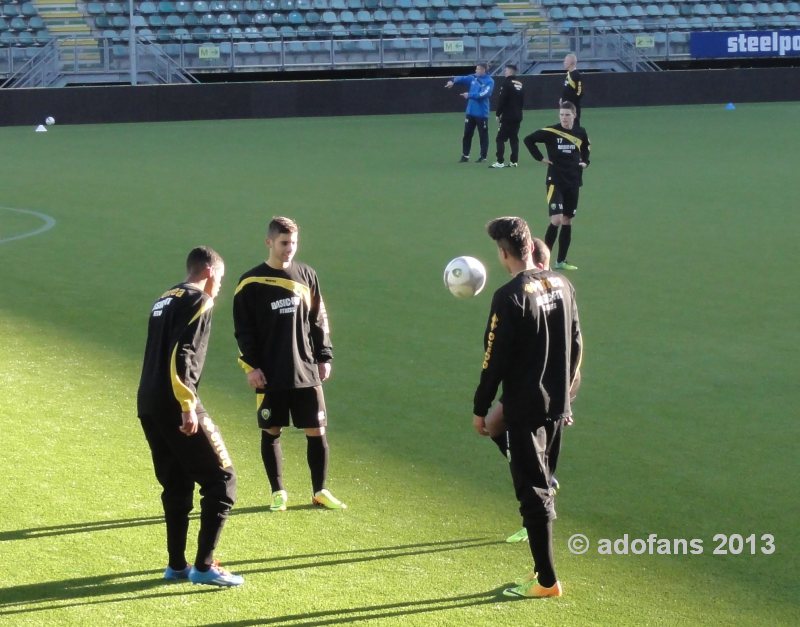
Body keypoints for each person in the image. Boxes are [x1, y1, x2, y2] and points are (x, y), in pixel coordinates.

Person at [472, 217, 582, 599]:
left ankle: (546, 581)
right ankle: (542, 484)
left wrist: (480, 406)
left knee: (532, 495)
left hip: (524, 407)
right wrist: (567, 393)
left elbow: (493, 359)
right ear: (531, 248)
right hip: (556, 403)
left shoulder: (509, 296)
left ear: (503, 253)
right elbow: (577, 343)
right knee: (538, 478)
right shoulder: (563, 284)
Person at [137, 246, 243, 587]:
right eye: (221, 279)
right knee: (222, 481)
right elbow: (182, 352)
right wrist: (186, 403)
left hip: (148, 401)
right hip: (175, 399)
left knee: (177, 483)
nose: (219, 288)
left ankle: (177, 566)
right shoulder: (200, 300)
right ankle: (204, 566)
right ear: (210, 273)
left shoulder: (163, 299)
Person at [233, 216, 346, 512]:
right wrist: (252, 367)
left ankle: (320, 490)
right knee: (271, 431)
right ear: (269, 242)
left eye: (293, 243)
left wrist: (324, 356)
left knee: (317, 431)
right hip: (271, 373)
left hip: (306, 369)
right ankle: (277, 492)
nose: (289, 249)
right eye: (284, 243)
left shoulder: (307, 275)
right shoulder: (251, 283)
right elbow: (243, 331)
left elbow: (318, 318)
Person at [523, 101, 590, 271]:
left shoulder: (580, 132)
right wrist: (540, 158)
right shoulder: (551, 131)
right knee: (557, 219)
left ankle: (561, 261)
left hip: (573, 181)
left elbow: (586, 149)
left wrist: (585, 162)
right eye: (561, 115)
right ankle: (541, 262)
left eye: (567, 115)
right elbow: (528, 140)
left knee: (567, 220)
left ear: (574, 115)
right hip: (555, 181)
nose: (564, 118)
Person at [445, 63, 495, 163]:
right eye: (476, 69)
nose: (476, 71)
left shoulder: (489, 81)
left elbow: (485, 93)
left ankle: (483, 156)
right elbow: (461, 78)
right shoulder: (473, 78)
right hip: (470, 112)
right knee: (467, 134)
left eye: (478, 70)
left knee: (483, 135)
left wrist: (469, 95)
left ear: (484, 70)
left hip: (482, 113)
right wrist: (452, 81)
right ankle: (465, 155)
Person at [490, 64, 524, 169]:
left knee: (500, 138)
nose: (504, 72)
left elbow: (502, 100)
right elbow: (522, 100)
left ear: (510, 71)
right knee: (514, 138)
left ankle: (500, 161)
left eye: (506, 70)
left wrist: (498, 113)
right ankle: (514, 162)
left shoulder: (506, 83)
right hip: (518, 115)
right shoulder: (520, 84)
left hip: (508, 116)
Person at [560, 53, 583, 125]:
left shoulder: (576, 75)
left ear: (571, 63)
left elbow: (580, 92)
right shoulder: (569, 74)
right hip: (566, 108)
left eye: (565, 61)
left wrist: (570, 103)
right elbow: (568, 89)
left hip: (572, 109)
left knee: (574, 129)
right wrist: (562, 99)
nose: (564, 63)